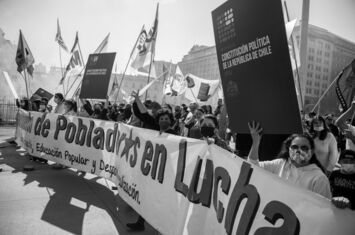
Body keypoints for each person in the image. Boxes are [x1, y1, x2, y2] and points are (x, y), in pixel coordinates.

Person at [247, 121, 331, 198]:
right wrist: (255, 141)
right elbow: (253, 165)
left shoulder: (319, 178)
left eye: (304, 148)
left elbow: (323, 209)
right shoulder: (280, 164)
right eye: (294, 147)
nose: (298, 151)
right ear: (289, 149)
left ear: (312, 152)